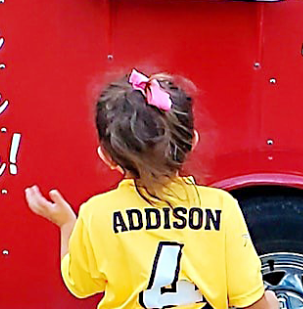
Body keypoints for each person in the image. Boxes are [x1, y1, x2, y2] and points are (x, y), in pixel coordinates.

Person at [24, 71, 277, 309]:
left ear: (106, 156)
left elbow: (79, 285)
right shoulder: (222, 207)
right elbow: (250, 300)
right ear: (192, 142)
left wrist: (67, 224)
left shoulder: (96, 213)